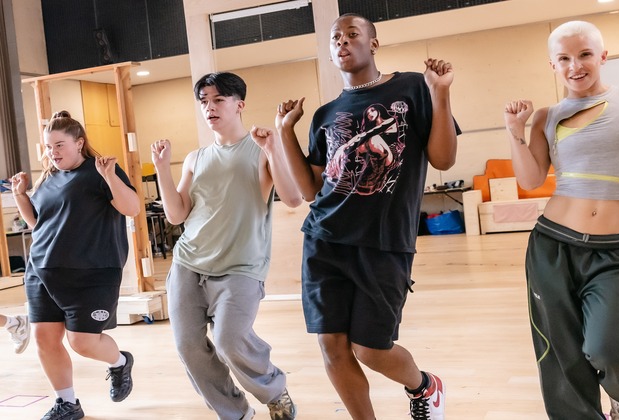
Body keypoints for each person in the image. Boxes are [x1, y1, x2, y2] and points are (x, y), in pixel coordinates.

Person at [275, 13, 459, 420]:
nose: (342, 42)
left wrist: (441, 95)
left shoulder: (412, 86)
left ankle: (424, 387)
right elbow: (311, 190)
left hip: (384, 240)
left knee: (371, 348)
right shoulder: (325, 115)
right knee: (332, 346)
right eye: (335, 38)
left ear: (373, 43)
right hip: (324, 239)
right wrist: (285, 131)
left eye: (352, 34)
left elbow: (443, 159)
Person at [503, 21, 619, 420]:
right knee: (561, 353)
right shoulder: (546, 117)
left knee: (605, 346)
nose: (576, 65)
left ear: (602, 56)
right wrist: (515, 133)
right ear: (552, 64)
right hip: (553, 245)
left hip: (617, 252)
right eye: (564, 58)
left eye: (585, 54)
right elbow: (532, 179)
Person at [150, 71, 302, 420]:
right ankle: (234, 413)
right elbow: (177, 215)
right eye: (204, 101)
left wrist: (274, 146)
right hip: (189, 263)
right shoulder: (195, 158)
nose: (210, 107)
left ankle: (273, 389)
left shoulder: (259, 149)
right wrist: (162, 170)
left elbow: (292, 197)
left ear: (239, 104)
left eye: (218, 99)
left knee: (229, 341)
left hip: (240, 267)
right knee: (189, 347)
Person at [10, 110, 140, 420]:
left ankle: (120, 362)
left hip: (91, 274)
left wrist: (110, 176)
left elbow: (132, 208)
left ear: (79, 143)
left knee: (82, 342)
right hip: (42, 271)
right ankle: (66, 403)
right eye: (48, 147)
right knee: (44, 338)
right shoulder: (48, 179)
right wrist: (19, 195)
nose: (52, 153)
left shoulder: (100, 171)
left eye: (59, 145)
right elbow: (38, 224)